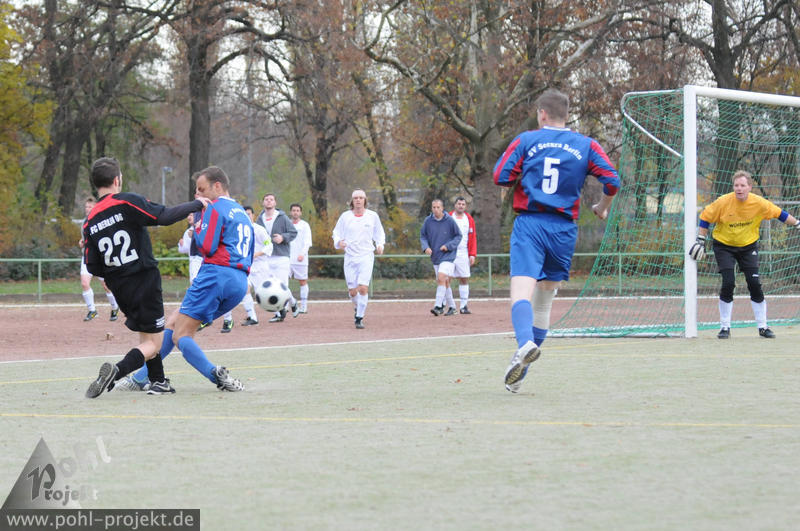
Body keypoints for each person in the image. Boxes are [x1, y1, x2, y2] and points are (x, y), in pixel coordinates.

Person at [493, 88, 620, 393]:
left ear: (542, 114)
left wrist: (522, 178)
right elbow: (612, 181)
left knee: (521, 294)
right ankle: (520, 371)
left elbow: (500, 176)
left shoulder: (527, 140)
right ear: (566, 115)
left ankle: (525, 344)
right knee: (544, 302)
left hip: (531, 223)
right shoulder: (586, 145)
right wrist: (602, 207)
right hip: (563, 229)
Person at [114, 167, 251, 393]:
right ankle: (139, 378)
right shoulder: (241, 212)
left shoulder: (214, 207)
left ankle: (216, 374)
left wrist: (197, 227)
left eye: (202, 189)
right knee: (172, 323)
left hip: (215, 276)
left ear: (217, 186)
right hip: (238, 282)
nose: (198, 195)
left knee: (181, 336)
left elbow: (206, 246)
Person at [83, 157, 209, 398]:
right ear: (117, 180)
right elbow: (164, 216)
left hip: (119, 286)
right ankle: (117, 371)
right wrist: (196, 204)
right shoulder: (126, 201)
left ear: (95, 183)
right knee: (154, 343)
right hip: (143, 279)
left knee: (147, 333)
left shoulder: (89, 221)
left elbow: (93, 266)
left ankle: (158, 381)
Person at [689, 170, 799, 339]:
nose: (739, 188)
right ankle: (725, 327)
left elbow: (780, 214)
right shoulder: (723, 202)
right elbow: (705, 217)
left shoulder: (759, 203)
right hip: (724, 246)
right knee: (728, 283)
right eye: (736, 185)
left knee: (754, 284)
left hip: (748, 247)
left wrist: (797, 223)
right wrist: (701, 239)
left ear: (749, 187)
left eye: (742, 185)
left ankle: (763, 327)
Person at [332, 189, 386, 329]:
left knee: (362, 288)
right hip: (350, 257)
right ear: (352, 200)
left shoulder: (372, 216)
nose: (358, 200)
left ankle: (359, 317)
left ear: (365, 200)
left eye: (361, 198)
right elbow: (336, 233)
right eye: (355, 198)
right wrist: (339, 242)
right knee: (352, 291)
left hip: (366, 255)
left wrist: (380, 245)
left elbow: (379, 233)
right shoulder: (345, 217)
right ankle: (357, 307)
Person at [255, 193, 298, 322]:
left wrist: (283, 237)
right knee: (271, 286)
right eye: (266, 199)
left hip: (281, 256)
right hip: (266, 257)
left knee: (282, 285)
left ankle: (283, 310)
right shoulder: (260, 219)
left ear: (275, 203)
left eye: (271, 199)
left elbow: (293, 232)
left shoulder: (282, 217)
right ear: (263, 202)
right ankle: (288, 306)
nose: (269, 201)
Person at [79, 196, 120, 322]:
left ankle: (115, 307)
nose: (87, 209)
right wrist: (82, 242)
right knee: (84, 283)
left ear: (95, 207)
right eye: (86, 206)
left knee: (106, 286)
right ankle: (92, 310)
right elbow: (86, 238)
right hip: (87, 256)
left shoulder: (100, 220)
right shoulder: (84, 222)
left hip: (100, 257)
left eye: (90, 206)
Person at [420, 199, 462, 316]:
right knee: (444, 281)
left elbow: (458, 236)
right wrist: (426, 247)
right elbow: (423, 236)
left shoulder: (449, 220)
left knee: (441, 277)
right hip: (435, 256)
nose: (436, 210)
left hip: (448, 255)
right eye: (434, 207)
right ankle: (452, 307)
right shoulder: (428, 221)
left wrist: (448, 246)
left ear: (442, 208)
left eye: (438, 207)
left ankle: (438, 306)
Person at [448, 196, 477, 314]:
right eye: (459, 204)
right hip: (449, 252)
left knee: (464, 278)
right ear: (455, 205)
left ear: (465, 206)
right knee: (446, 279)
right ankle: (450, 306)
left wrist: (472, 254)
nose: (461, 206)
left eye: (463, 204)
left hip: (463, 252)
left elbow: (473, 237)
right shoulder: (448, 217)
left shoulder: (469, 219)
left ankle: (463, 306)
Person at [289, 203, 313, 313]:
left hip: (300, 259)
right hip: (287, 259)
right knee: (283, 282)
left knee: (303, 281)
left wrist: (302, 254)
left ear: (300, 212)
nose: (295, 212)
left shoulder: (305, 225)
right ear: (290, 212)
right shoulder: (287, 224)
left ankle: (303, 306)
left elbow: (307, 242)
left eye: (297, 210)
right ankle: (287, 305)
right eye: (294, 210)